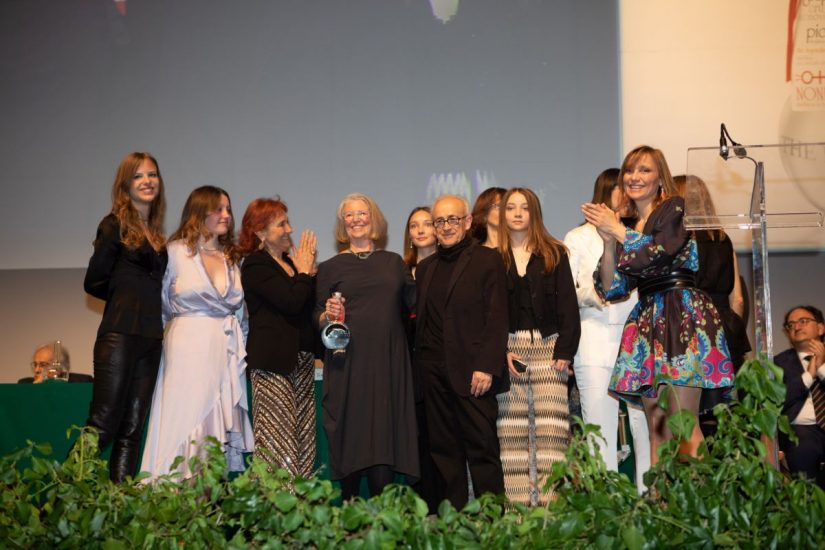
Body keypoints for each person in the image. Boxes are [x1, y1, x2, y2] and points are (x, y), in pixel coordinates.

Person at [581, 145, 734, 463]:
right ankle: (659, 494)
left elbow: (659, 252)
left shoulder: (674, 208)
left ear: (660, 178)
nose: (634, 177)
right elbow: (612, 288)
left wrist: (617, 230)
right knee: (658, 427)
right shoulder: (628, 227)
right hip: (647, 320)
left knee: (683, 424)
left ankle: (699, 493)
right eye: (629, 170)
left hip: (680, 314)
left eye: (644, 170)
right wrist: (608, 243)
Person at [140, 186, 254, 480]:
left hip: (224, 350)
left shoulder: (231, 258)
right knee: (185, 420)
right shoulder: (175, 252)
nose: (226, 215)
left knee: (214, 428)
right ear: (199, 211)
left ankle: (207, 495)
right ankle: (172, 488)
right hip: (187, 346)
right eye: (219, 209)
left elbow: (241, 315)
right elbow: (160, 306)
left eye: (228, 209)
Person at [315, 193, 418, 500]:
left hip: (387, 361)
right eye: (349, 215)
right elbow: (317, 316)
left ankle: (382, 514)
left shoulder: (394, 263)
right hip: (347, 363)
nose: (356, 219)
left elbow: (415, 307)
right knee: (351, 433)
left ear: (374, 220)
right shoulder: (330, 267)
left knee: (383, 436)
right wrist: (327, 315)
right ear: (342, 224)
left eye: (362, 213)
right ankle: (350, 510)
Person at [415, 194, 509, 509]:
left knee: (483, 449)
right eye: (439, 221)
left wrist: (487, 366)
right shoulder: (425, 268)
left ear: (467, 222)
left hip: (473, 373)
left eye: (453, 219)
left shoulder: (487, 259)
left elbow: (497, 316)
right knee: (444, 453)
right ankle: (452, 520)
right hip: (433, 374)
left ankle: (492, 520)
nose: (446, 226)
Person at [563, 169, 650, 492]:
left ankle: (649, 497)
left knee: (644, 424)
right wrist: (598, 293)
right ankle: (607, 502)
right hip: (594, 337)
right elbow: (568, 291)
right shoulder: (577, 237)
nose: (629, 194)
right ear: (606, 191)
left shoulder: (637, 234)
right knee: (599, 426)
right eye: (622, 188)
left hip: (636, 337)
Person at [83, 152, 167, 483]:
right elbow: (93, 281)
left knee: (132, 430)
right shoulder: (113, 225)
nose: (147, 181)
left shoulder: (158, 236)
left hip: (152, 340)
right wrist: (125, 299)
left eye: (152, 174)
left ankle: (121, 502)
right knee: (103, 424)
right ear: (125, 185)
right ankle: (62, 498)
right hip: (119, 335)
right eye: (138, 176)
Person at [495, 187, 580, 505]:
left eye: (524, 207)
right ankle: (516, 510)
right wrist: (498, 352)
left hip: (549, 348)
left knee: (552, 433)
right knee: (510, 434)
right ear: (502, 214)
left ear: (535, 213)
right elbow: (487, 314)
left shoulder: (554, 253)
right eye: (510, 207)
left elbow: (568, 307)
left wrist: (565, 351)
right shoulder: (492, 258)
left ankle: (550, 509)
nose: (517, 213)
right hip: (509, 350)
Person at [238, 197, 318, 477]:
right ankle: (276, 504)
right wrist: (304, 274)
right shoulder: (255, 265)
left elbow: (305, 310)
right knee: (278, 446)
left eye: (288, 222)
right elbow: (290, 302)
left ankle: (301, 502)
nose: (290, 229)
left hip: (302, 363)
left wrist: (308, 275)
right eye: (281, 224)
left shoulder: (292, 264)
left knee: (304, 445)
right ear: (260, 232)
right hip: (273, 366)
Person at [402, 206, 442, 511]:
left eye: (427, 223)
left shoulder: (448, 267)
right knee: (417, 438)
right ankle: (421, 506)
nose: (420, 230)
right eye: (414, 225)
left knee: (442, 436)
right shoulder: (400, 271)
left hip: (441, 364)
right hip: (409, 365)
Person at [775, 305, 825, 488]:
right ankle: (807, 500)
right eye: (791, 325)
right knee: (802, 448)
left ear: (820, 328)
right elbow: (777, 400)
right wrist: (808, 376)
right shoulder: (778, 363)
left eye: (803, 321)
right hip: (800, 431)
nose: (796, 327)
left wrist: (821, 368)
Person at [20, 342, 94, 383]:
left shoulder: (82, 382)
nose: (36, 370)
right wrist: (35, 390)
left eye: (43, 365)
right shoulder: (24, 385)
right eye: (35, 365)